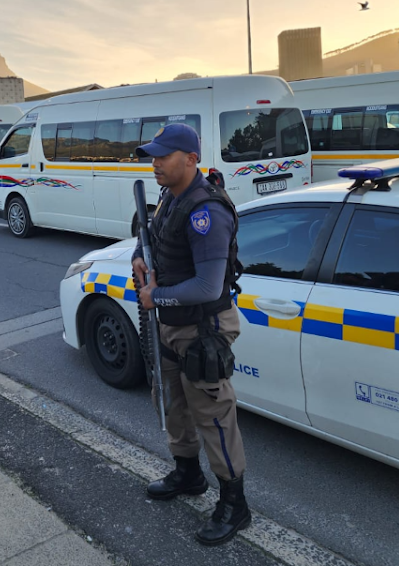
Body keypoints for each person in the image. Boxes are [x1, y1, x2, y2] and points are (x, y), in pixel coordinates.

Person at [131, 124, 250, 546]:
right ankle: (187, 473)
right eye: (154, 155)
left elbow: (208, 285)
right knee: (172, 403)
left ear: (191, 159)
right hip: (170, 322)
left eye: (164, 155)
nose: (155, 162)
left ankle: (235, 504)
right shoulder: (170, 197)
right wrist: (139, 260)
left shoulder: (207, 212)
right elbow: (157, 241)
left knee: (214, 416)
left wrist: (155, 296)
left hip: (202, 328)